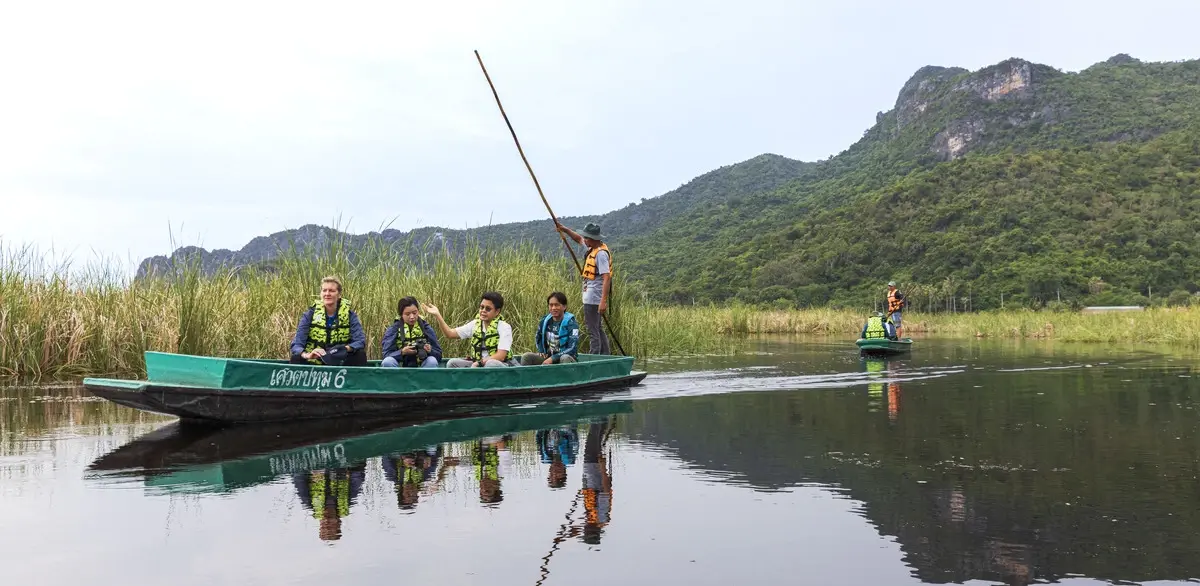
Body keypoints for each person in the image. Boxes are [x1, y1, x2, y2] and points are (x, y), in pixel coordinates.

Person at [556, 221, 611, 355]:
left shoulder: (601, 254)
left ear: (593, 239)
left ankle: (594, 358)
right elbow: (578, 239)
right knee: (598, 328)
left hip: (594, 297)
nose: (584, 240)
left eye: (586, 238)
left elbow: (606, 277)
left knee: (593, 330)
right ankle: (605, 355)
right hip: (591, 296)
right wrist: (565, 229)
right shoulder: (592, 248)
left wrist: (603, 301)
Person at [423, 291, 517, 367]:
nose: (483, 311)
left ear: (497, 312)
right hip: (479, 364)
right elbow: (449, 334)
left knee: (490, 364)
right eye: (481, 307)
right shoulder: (475, 325)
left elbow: (500, 356)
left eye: (488, 309)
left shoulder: (504, 327)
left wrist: (479, 363)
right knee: (452, 363)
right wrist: (437, 315)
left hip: (502, 365)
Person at [289, 276, 367, 366]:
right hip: (315, 359)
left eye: (331, 291)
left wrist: (344, 349)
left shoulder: (350, 315)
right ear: (320, 293)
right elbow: (297, 344)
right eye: (324, 290)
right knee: (296, 357)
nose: (327, 294)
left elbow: (360, 341)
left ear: (339, 294)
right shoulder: (309, 315)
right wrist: (307, 355)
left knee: (360, 354)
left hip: (339, 359)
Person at [520, 291, 581, 365]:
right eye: (551, 305)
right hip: (548, 357)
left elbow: (572, 348)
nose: (553, 308)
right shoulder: (545, 320)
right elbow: (538, 336)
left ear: (564, 306)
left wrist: (553, 358)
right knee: (527, 357)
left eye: (557, 305)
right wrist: (541, 351)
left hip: (566, 358)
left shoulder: (571, 323)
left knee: (564, 358)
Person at [380, 296, 441, 368]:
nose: (412, 317)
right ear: (401, 314)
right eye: (407, 314)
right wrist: (402, 352)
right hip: (400, 365)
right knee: (387, 362)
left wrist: (430, 350)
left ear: (418, 311)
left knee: (432, 361)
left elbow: (439, 354)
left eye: (415, 313)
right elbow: (386, 354)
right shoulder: (393, 329)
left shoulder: (426, 328)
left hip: (422, 364)